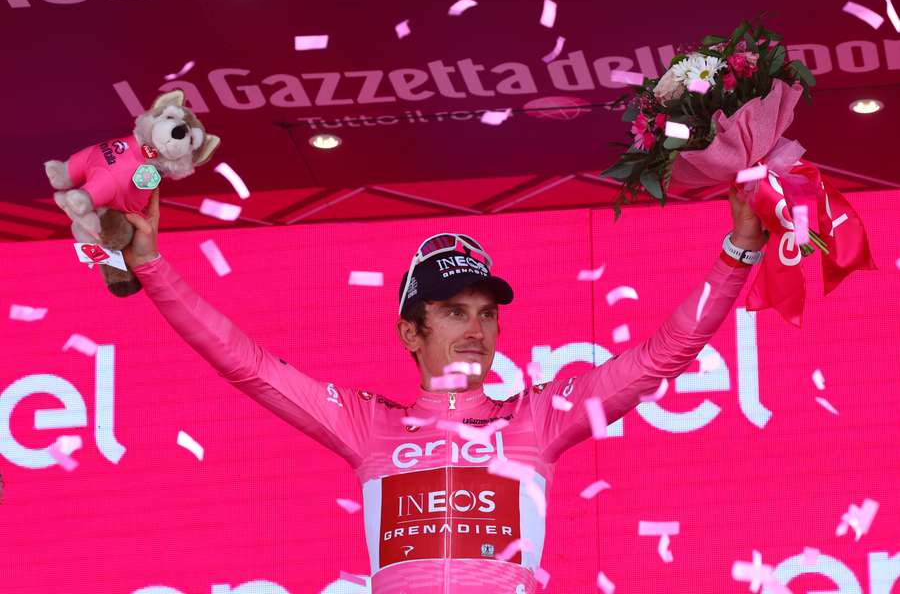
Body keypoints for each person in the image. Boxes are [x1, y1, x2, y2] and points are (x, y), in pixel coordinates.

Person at [123, 190, 766, 593]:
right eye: (456, 313)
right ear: (411, 331)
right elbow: (246, 363)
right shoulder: (368, 426)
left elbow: (663, 356)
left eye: (488, 314)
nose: (478, 330)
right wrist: (149, 264)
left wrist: (737, 253)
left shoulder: (536, 419)